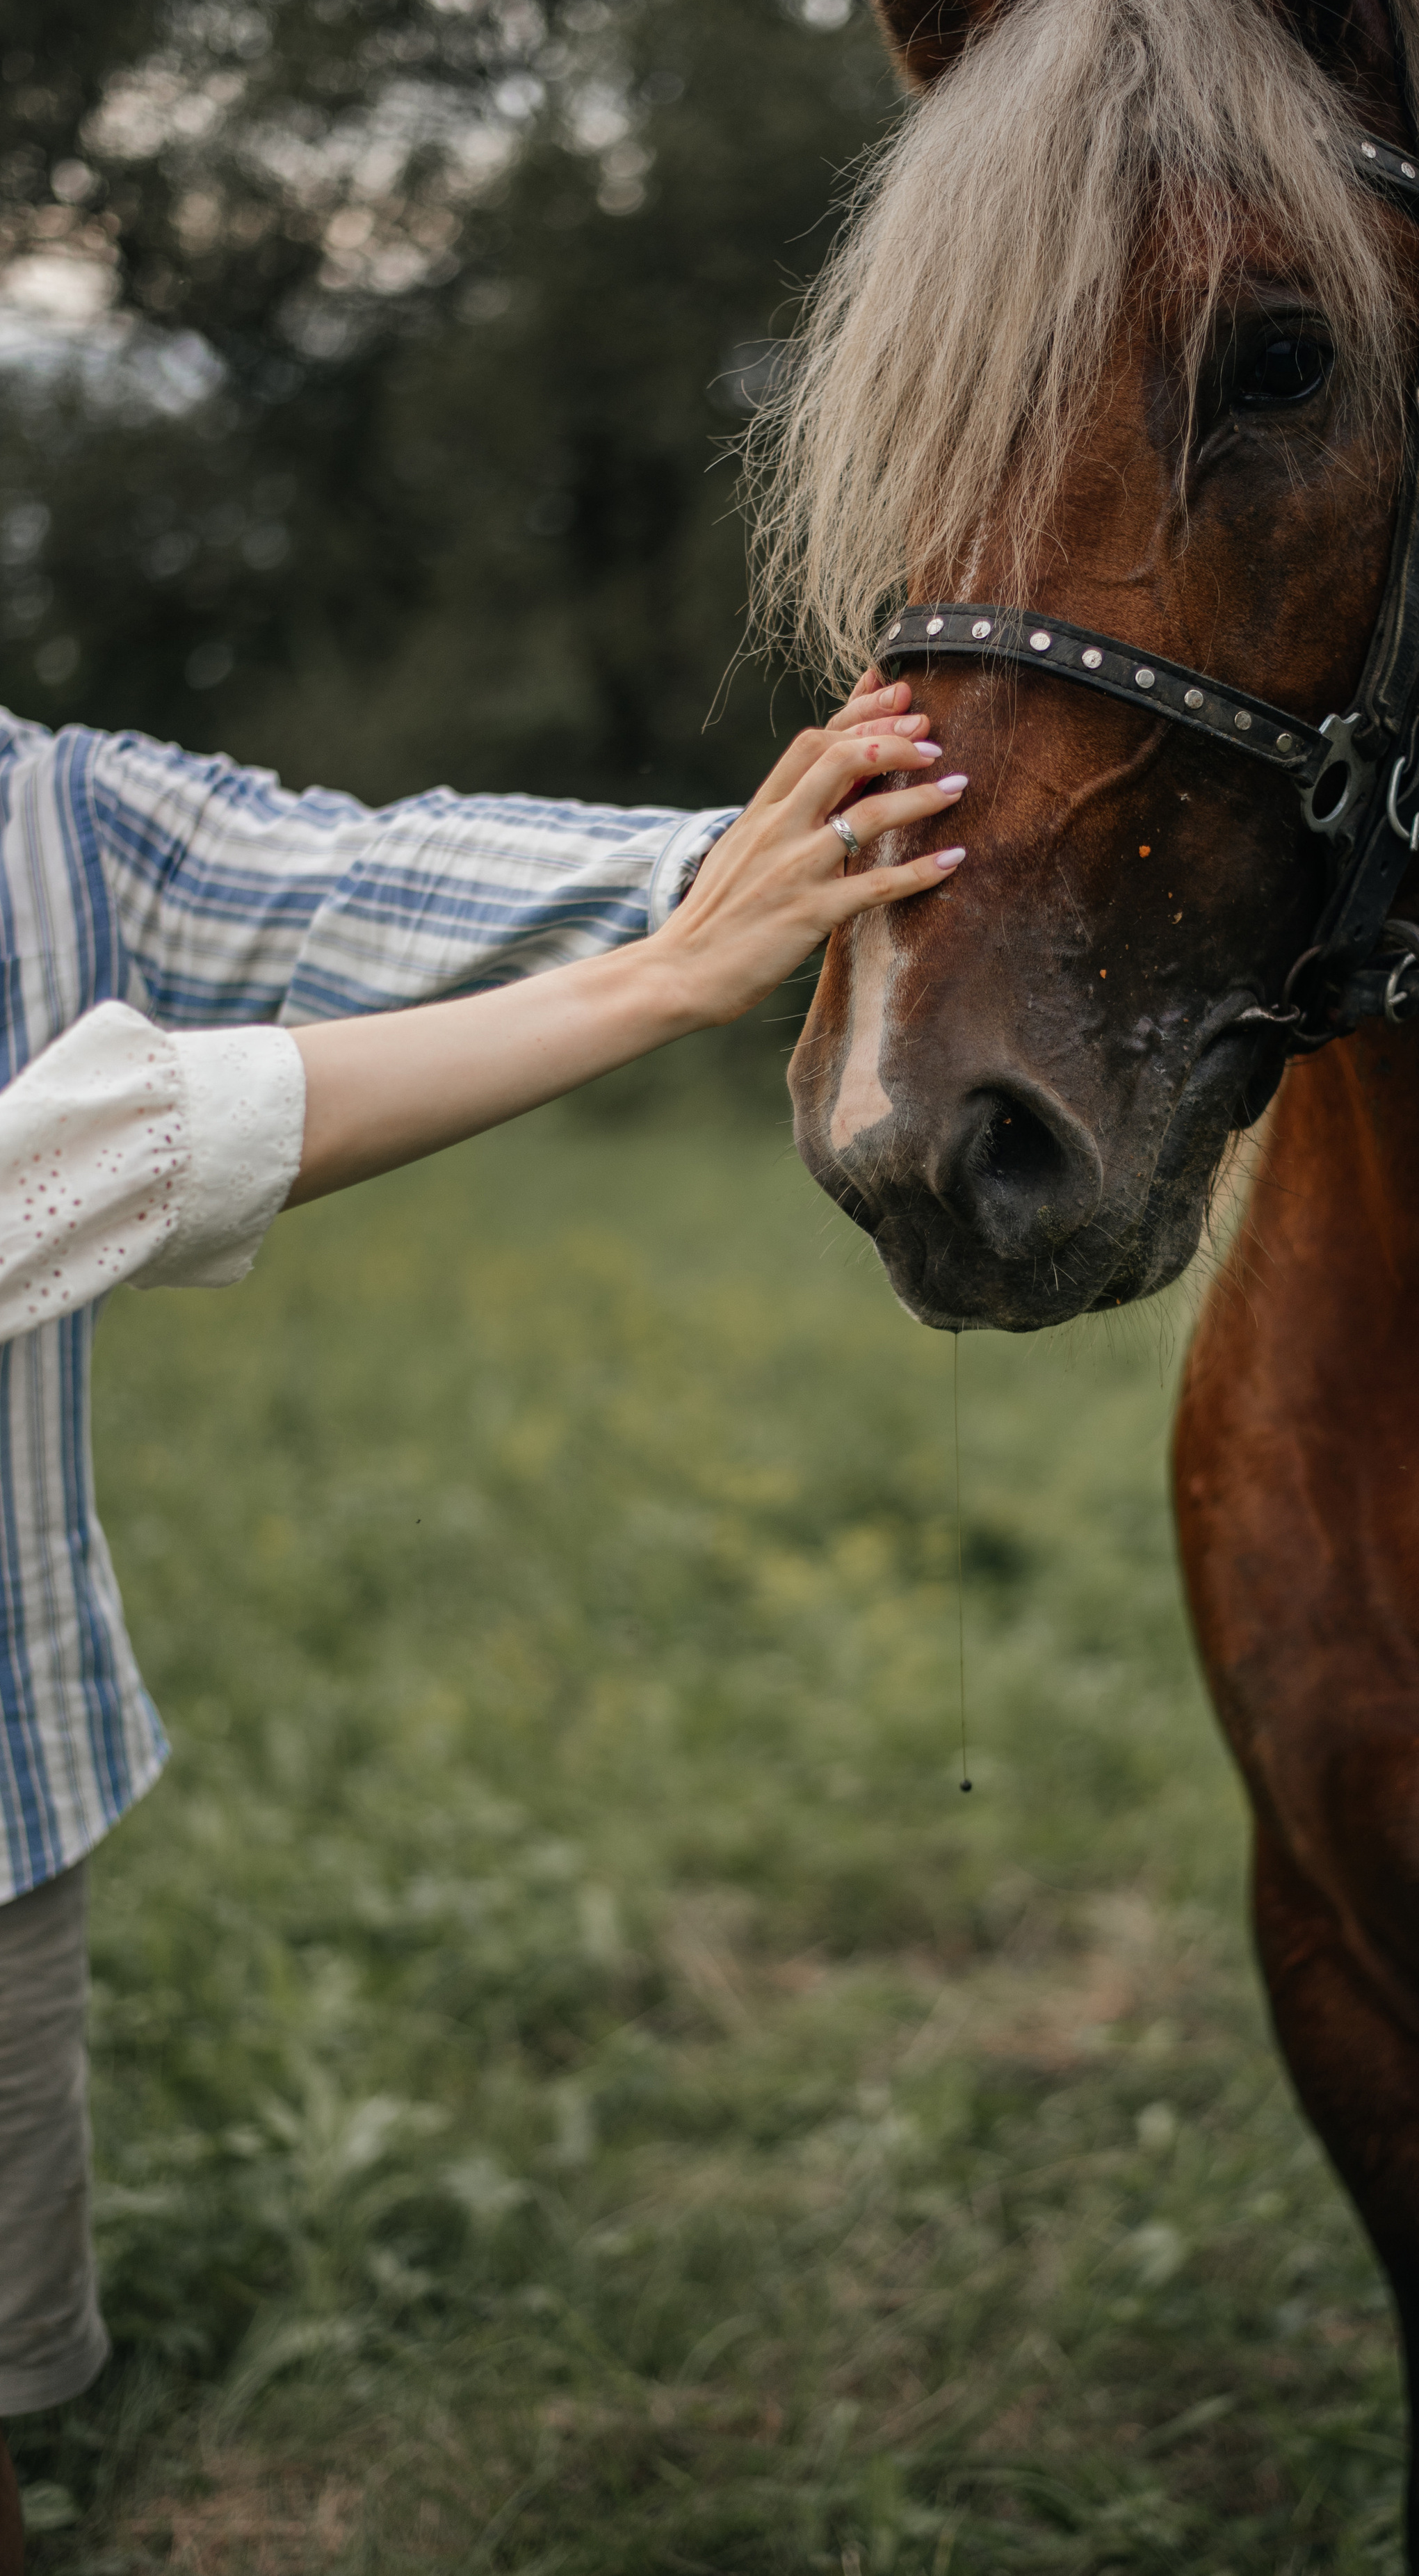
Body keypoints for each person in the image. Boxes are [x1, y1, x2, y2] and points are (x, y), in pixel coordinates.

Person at [0, 676, 962, 2559]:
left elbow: (369, 878)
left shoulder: (52, 808)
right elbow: (66, 1170)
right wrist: (660, 984)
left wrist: (811, 856)